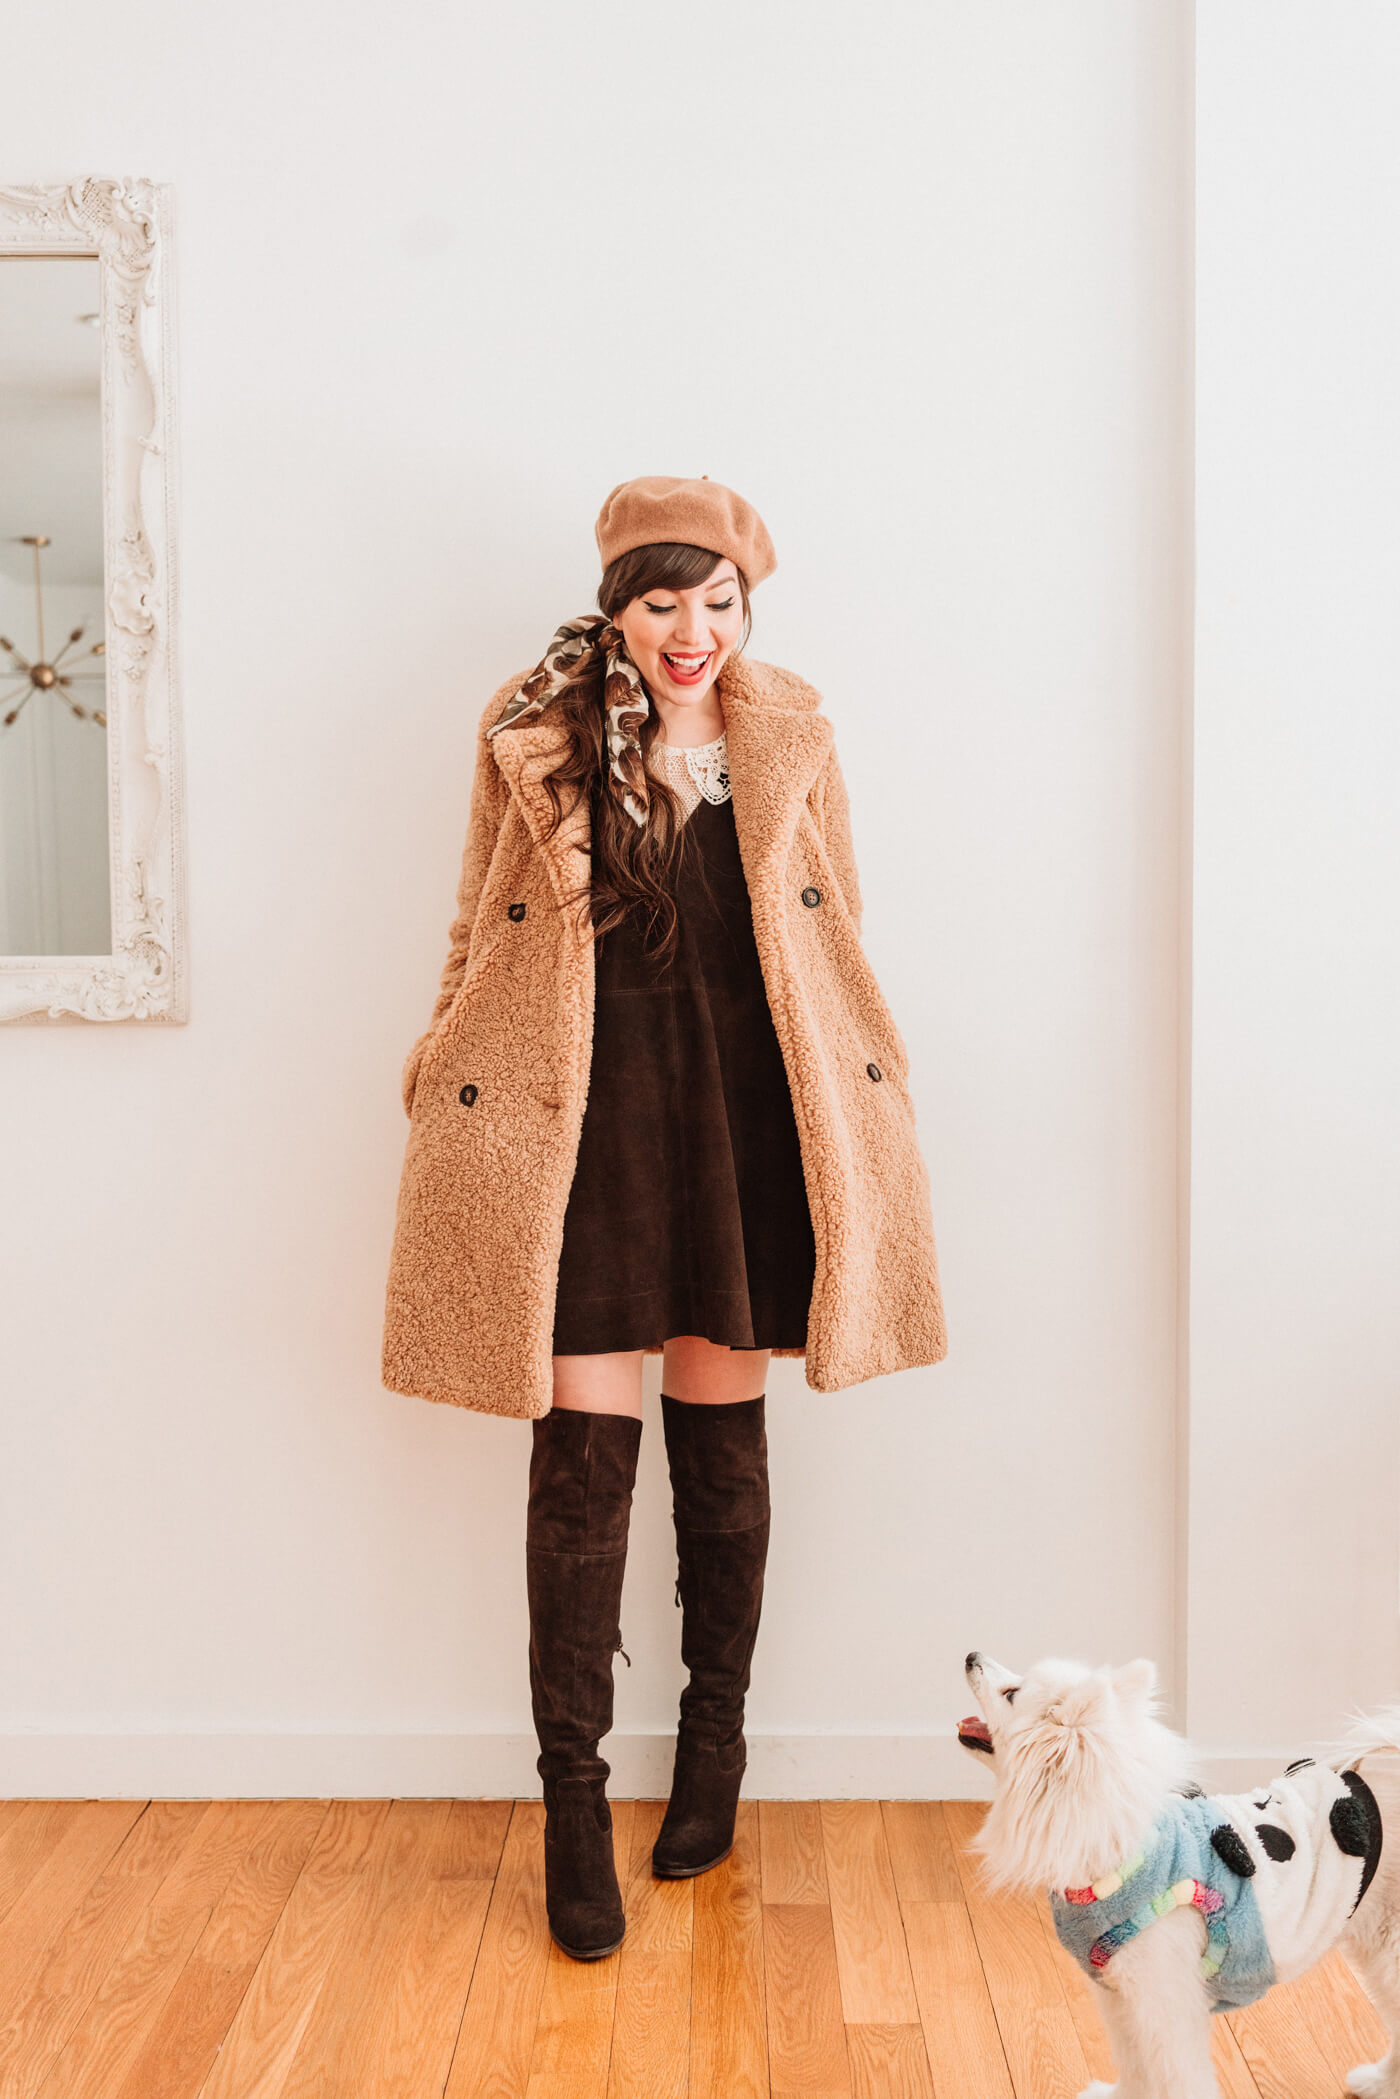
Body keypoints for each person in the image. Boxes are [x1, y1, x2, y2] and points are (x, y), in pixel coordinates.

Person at [383, 474, 946, 1960]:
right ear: (616, 609)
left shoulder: (793, 738)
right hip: (577, 1124)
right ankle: (573, 1801)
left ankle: (714, 1751)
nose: (692, 632)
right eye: (661, 603)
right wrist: (437, 1057)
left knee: (723, 1447)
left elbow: (843, 924)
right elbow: (471, 920)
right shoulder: (539, 735)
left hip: (750, 1119)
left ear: (748, 609)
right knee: (581, 1471)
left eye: (720, 604)